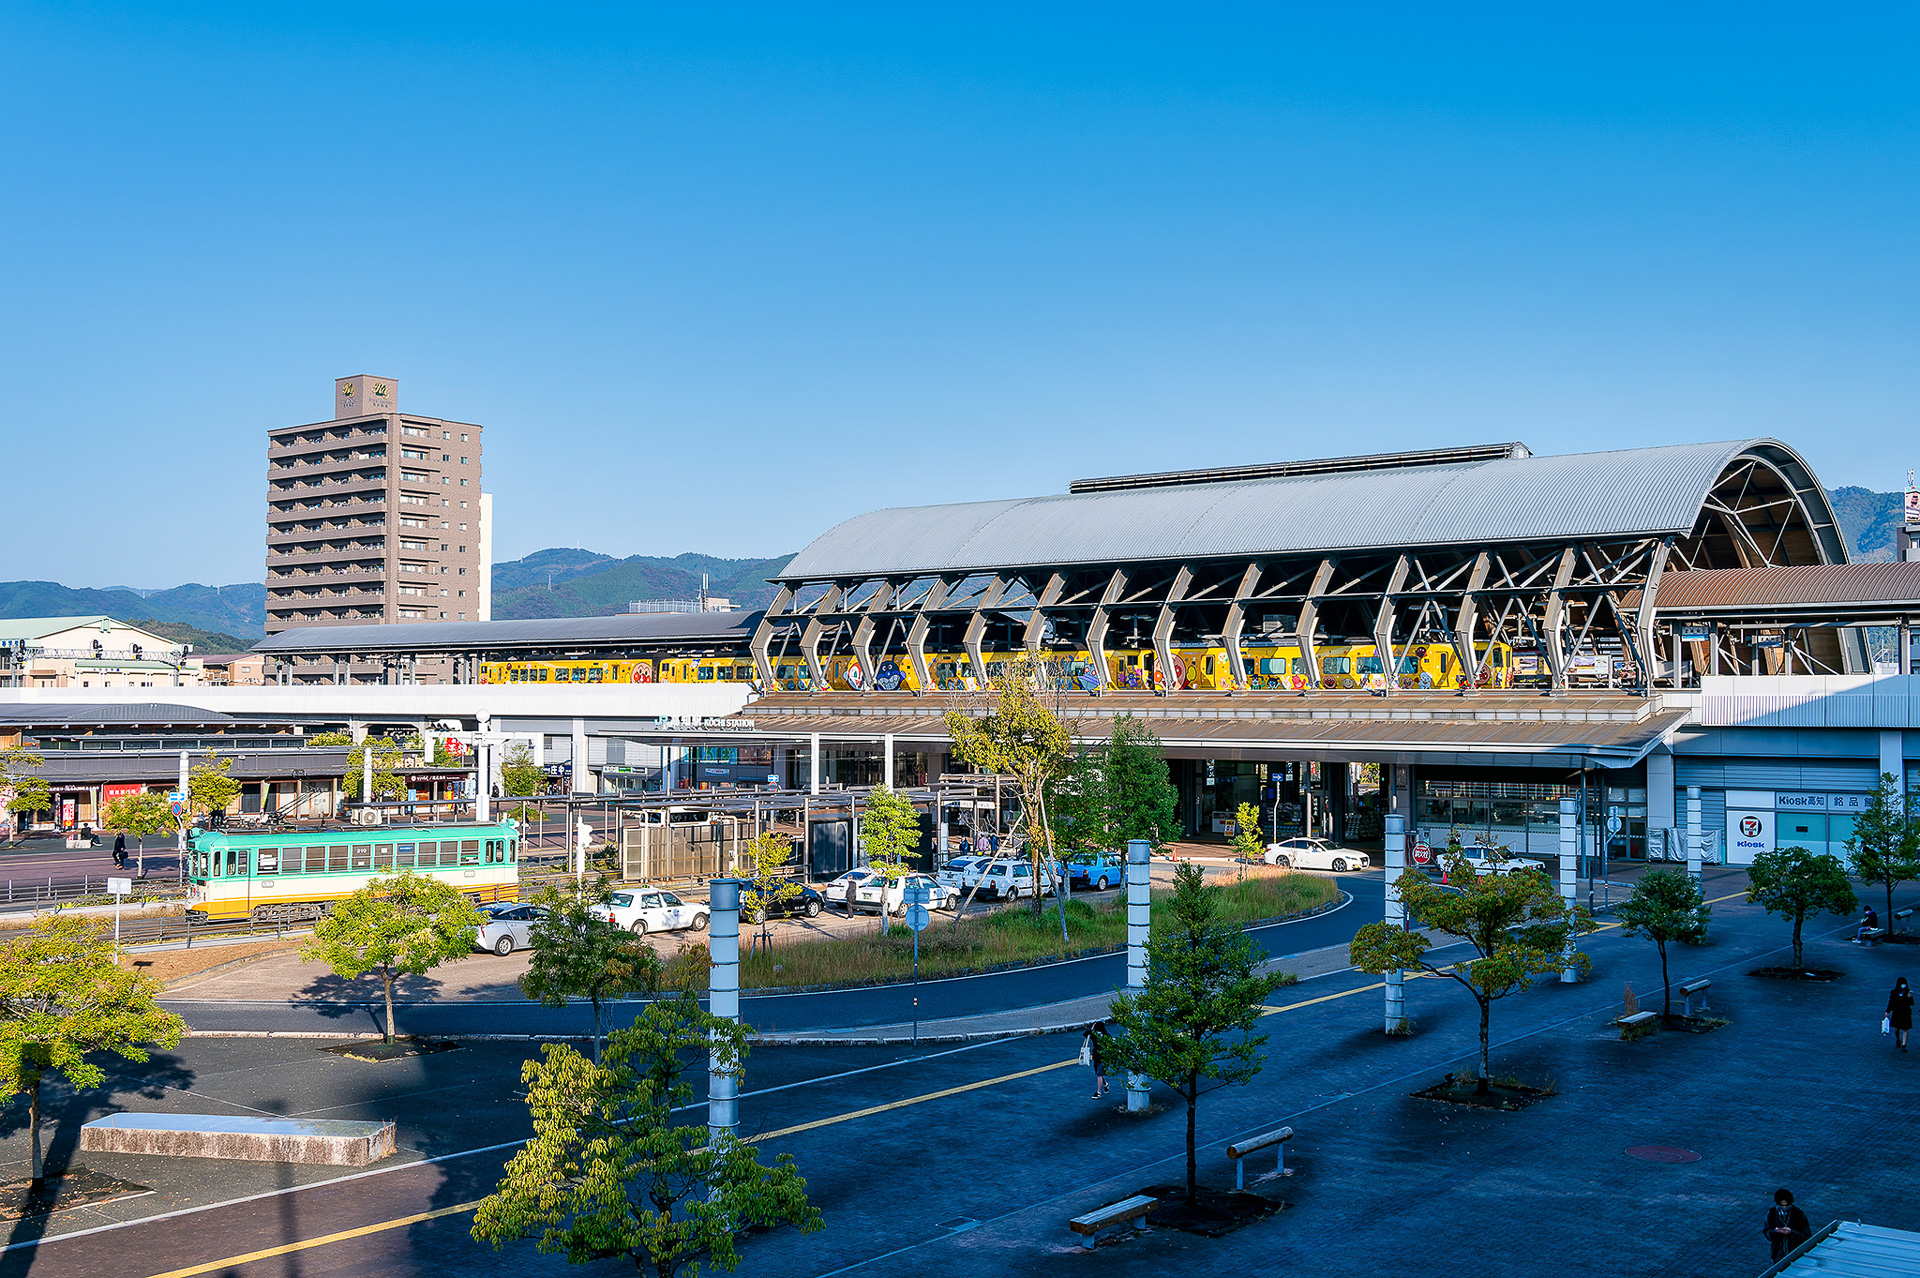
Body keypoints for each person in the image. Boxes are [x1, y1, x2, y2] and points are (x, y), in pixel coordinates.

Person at [1763, 1189, 1811, 1261]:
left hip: (1795, 1254)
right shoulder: (1772, 1214)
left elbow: (1806, 1237)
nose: (1784, 1208)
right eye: (1782, 1205)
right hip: (1778, 1254)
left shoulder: (1798, 1214)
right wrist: (1776, 1231)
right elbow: (1767, 1233)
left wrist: (1791, 1232)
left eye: (1787, 1205)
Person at [1080, 1022, 1111, 1099]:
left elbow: (1085, 1034)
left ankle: (1099, 1092)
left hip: (1098, 1056)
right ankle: (1105, 1084)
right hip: (1102, 1056)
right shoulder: (1107, 1036)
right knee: (1099, 1073)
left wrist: (1091, 1029)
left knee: (1099, 1074)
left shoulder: (1094, 1035)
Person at [1889, 978, 1914, 1052]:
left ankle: (1904, 1045)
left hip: (1905, 1012)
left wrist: (1910, 998)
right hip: (1897, 1012)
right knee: (1897, 1028)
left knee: (1905, 1029)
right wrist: (1888, 1011)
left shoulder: (1908, 992)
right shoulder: (1894, 992)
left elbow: (1912, 1003)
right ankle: (1898, 1039)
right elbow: (1892, 1002)